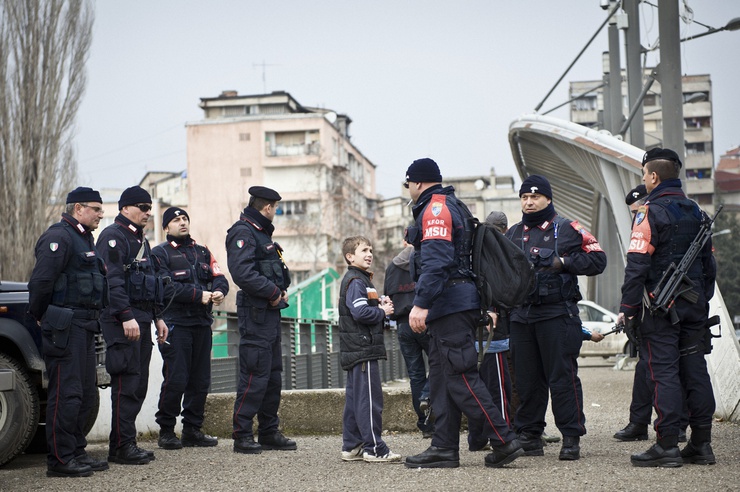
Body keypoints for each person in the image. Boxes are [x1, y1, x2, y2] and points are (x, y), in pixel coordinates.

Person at [402, 158, 523, 470]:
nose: (409, 191)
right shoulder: (454, 205)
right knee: (442, 380)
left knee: (462, 377)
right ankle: (443, 447)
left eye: (408, 185)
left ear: (417, 183)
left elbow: (438, 259)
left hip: (450, 303)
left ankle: (503, 439)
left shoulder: (436, 209)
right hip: (456, 303)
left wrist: (421, 303)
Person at [617, 148, 716, 467]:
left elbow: (636, 265)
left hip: (661, 308)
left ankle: (667, 444)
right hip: (694, 305)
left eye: (644, 175)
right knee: (694, 369)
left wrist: (629, 308)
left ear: (654, 177)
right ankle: (701, 444)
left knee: (664, 372)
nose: (643, 180)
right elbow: (709, 264)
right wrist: (703, 298)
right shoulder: (697, 212)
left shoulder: (649, 212)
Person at [506, 175, 607, 460]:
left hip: (556, 314)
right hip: (522, 316)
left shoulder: (568, 228)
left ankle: (571, 437)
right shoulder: (512, 234)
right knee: (527, 381)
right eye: (524, 197)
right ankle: (530, 434)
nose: (529, 202)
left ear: (548, 199)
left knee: (562, 378)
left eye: (534, 197)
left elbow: (598, 259)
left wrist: (564, 263)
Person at [28, 187, 109, 477]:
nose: (101, 214)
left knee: (85, 393)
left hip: (85, 325)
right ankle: (60, 460)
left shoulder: (83, 238)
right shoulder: (59, 237)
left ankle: (76, 451)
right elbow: (41, 282)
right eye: (96, 209)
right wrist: (40, 315)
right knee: (67, 393)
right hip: (66, 325)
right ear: (78, 209)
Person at [97, 186, 168, 465]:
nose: (148, 213)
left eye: (149, 208)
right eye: (142, 207)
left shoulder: (140, 240)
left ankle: (123, 443)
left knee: (137, 385)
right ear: (125, 208)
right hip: (121, 320)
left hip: (142, 318)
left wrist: (158, 316)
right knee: (126, 383)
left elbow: (149, 284)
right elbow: (111, 281)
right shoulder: (113, 237)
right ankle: (122, 446)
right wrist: (126, 315)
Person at [152, 207, 229, 449]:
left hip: (201, 324)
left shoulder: (202, 252)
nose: (182, 223)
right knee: (176, 379)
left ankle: (192, 430)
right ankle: (166, 430)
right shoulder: (159, 255)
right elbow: (165, 288)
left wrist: (218, 291)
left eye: (185, 218)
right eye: (176, 220)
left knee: (200, 380)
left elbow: (220, 277)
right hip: (176, 325)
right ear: (166, 227)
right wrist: (200, 295)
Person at [227, 186, 296, 455]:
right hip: (256, 312)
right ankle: (242, 435)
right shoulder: (243, 232)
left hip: (269, 312)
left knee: (272, 376)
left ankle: (268, 431)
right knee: (255, 374)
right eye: (275, 208)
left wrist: (280, 290)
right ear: (267, 207)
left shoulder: (261, 233)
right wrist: (272, 292)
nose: (276, 212)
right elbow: (242, 273)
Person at [339, 236, 402, 463]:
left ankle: (352, 445)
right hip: (363, 348)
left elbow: (365, 308)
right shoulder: (356, 281)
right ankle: (375, 448)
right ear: (350, 256)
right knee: (369, 400)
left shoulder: (361, 280)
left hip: (357, 348)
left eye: (371, 250)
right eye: (364, 250)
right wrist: (383, 312)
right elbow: (360, 313)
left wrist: (380, 304)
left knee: (356, 399)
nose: (369, 254)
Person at [467, 211, 514, 452]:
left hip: (471, 331)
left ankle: (477, 438)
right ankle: (502, 437)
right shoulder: (499, 255)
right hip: (491, 334)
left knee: (476, 388)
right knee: (498, 389)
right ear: (504, 230)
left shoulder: (472, 252)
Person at [384, 242, 434, 439]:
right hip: (426, 322)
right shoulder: (427, 260)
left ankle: (424, 424)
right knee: (441, 363)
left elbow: (387, 295)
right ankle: (427, 396)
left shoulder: (392, 266)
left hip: (404, 326)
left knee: (415, 375)